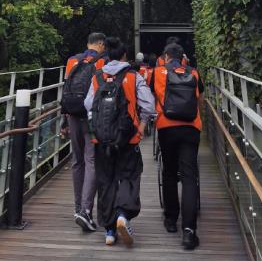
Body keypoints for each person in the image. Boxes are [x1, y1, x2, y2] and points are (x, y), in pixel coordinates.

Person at [84, 36, 156, 247]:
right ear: (125, 56)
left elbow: (88, 104)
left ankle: (109, 230)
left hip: (101, 139)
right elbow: (149, 105)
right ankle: (123, 214)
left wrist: (96, 128)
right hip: (128, 138)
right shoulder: (133, 76)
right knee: (128, 176)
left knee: (105, 181)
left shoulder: (97, 76)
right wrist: (142, 126)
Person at [152, 41, 204, 251]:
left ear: (165, 57)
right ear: (183, 58)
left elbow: (150, 95)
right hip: (191, 128)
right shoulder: (194, 73)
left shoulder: (157, 72)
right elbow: (199, 96)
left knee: (170, 173)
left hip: (166, 127)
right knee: (189, 177)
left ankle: (171, 219)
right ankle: (189, 231)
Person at [60, 32, 107, 232]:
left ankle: (77, 207)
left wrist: (64, 120)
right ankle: (86, 210)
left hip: (72, 114)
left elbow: (66, 88)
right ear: (101, 44)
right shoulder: (103, 61)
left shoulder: (72, 60)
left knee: (77, 161)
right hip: (90, 117)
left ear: (88, 44)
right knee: (91, 161)